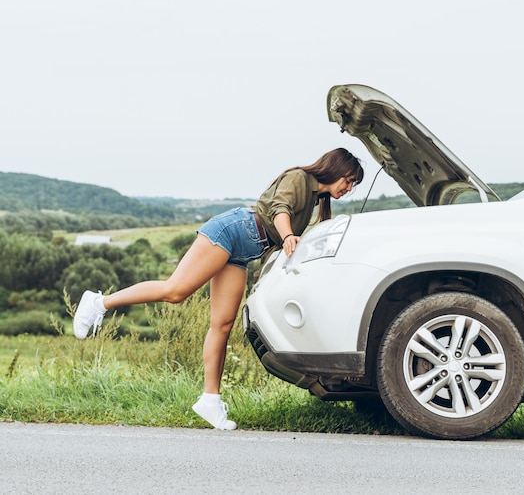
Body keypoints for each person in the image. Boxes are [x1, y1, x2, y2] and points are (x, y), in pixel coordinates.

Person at [72, 147, 364, 430]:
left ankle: (210, 400)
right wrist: (288, 236)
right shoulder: (300, 178)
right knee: (176, 291)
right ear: (336, 169)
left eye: (353, 185)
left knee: (222, 324)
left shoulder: (317, 200)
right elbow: (279, 209)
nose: (349, 188)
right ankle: (99, 303)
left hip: (243, 250)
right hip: (233, 230)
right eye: (349, 181)